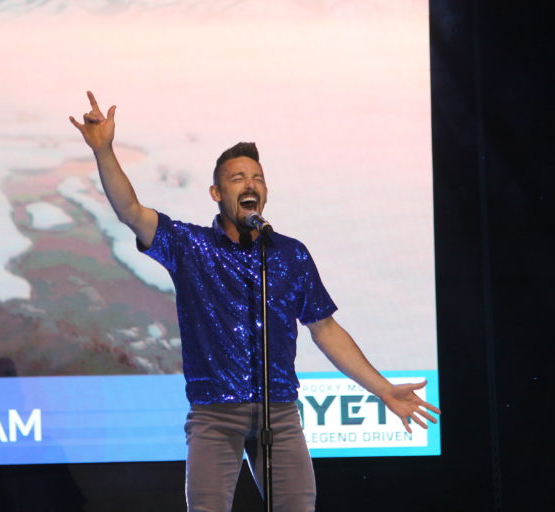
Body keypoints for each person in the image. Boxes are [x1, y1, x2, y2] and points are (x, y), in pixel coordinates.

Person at [70, 91, 440, 512]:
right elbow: (131, 211)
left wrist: (383, 389)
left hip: (278, 413)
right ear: (216, 192)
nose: (250, 184)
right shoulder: (191, 247)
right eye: (238, 178)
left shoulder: (290, 254)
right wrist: (103, 150)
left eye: (257, 178)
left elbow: (325, 329)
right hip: (214, 415)